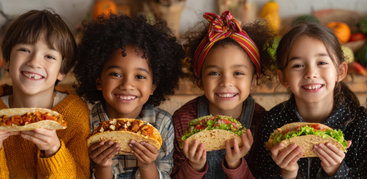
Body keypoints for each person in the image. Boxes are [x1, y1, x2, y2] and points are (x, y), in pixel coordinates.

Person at [252, 23, 367, 178]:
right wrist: (287, 173)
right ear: (283, 77)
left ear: (340, 71)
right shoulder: (272, 122)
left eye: (321, 63)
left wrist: (336, 170)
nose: (311, 73)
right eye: (298, 65)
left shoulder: (359, 122)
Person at [74, 15, 183, 178]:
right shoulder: (85, 122)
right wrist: (102, 165)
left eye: (139, 76)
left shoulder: (162, 124)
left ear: (153, 86)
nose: (126, 85)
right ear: (98, 80)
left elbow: (166, 173)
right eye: (115, 74)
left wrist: (147, 165)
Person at [171, 11, 274, 179]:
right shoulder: (183, 121)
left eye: (238, 73)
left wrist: (235, 165)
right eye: (214, 73)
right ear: (200, 80)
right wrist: (194, 167)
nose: (226, 83)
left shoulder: (262, 122)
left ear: (254, 80)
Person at [0, 9, 90, 178]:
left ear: (61, 72)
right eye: (25, 50)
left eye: (49, 56)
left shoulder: (75, 117)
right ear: (7, 61)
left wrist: (53, 150)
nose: (34, 62)